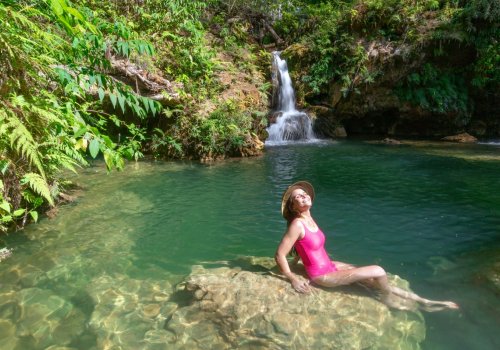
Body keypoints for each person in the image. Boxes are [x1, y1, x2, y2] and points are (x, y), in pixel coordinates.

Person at [274, 181, 459, 311]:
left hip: (330, 266)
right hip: (322, 276)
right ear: (294, 207)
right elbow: (279, 254)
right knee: (378, 270)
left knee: (373, 280)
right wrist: (292, 277)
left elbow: (304, 246)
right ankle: (387, 299)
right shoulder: (297, 224)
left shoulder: (309, 218)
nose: (304, 195)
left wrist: (299, 260)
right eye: (298, 196)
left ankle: (424, 300)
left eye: (304, 193)